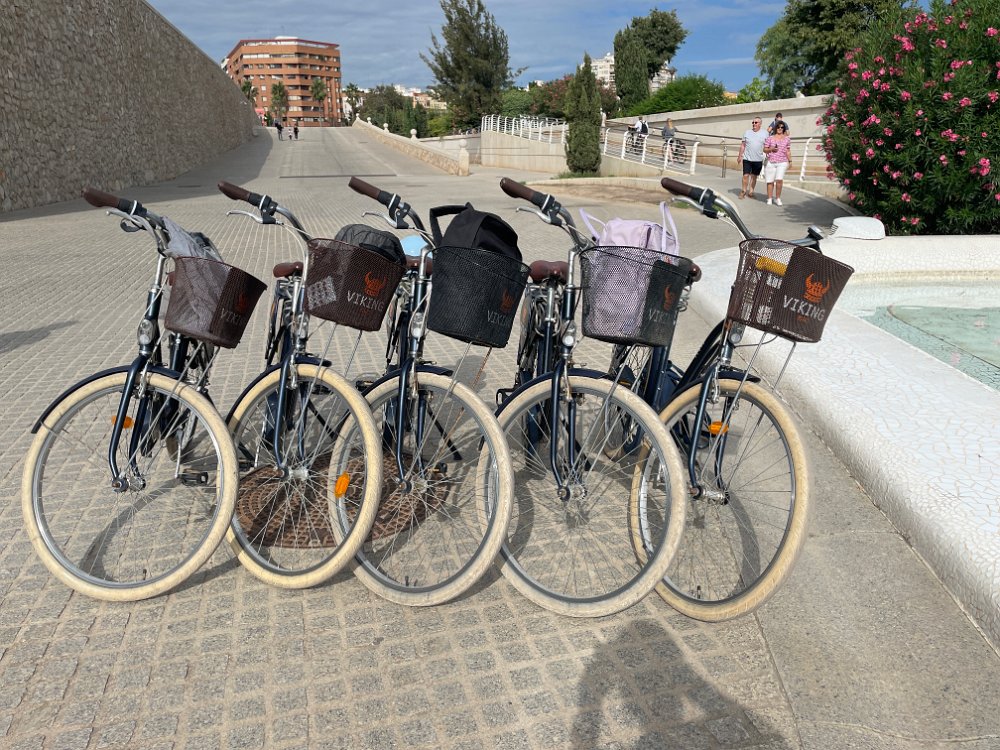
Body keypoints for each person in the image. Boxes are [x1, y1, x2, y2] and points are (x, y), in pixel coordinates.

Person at [763, 121, 793, 206]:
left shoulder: (787, 139)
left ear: (784, 129)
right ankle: (769, 198)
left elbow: (788, 151)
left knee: (779, 180)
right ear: (775, 128)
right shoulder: (770, 138)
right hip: (771, 161)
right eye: (778, 127)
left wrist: (790, 161)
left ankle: (778, 198)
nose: (780, 129)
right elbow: (764, 149)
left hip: (782, 162)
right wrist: (771, 149)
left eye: (782, 127)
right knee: (770, 181)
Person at [737, 117, 767, 199]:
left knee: (754, 177)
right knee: (745, 175)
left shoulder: (765, 133)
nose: (754, 124)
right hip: (747, 158)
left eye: (756, 122)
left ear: (760, 124)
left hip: (758, 159)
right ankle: (743, 191)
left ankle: (751, 192)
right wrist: (739, 156)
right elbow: (743, 145)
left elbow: (767, 145)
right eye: (753, 122)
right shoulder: (747, 132)